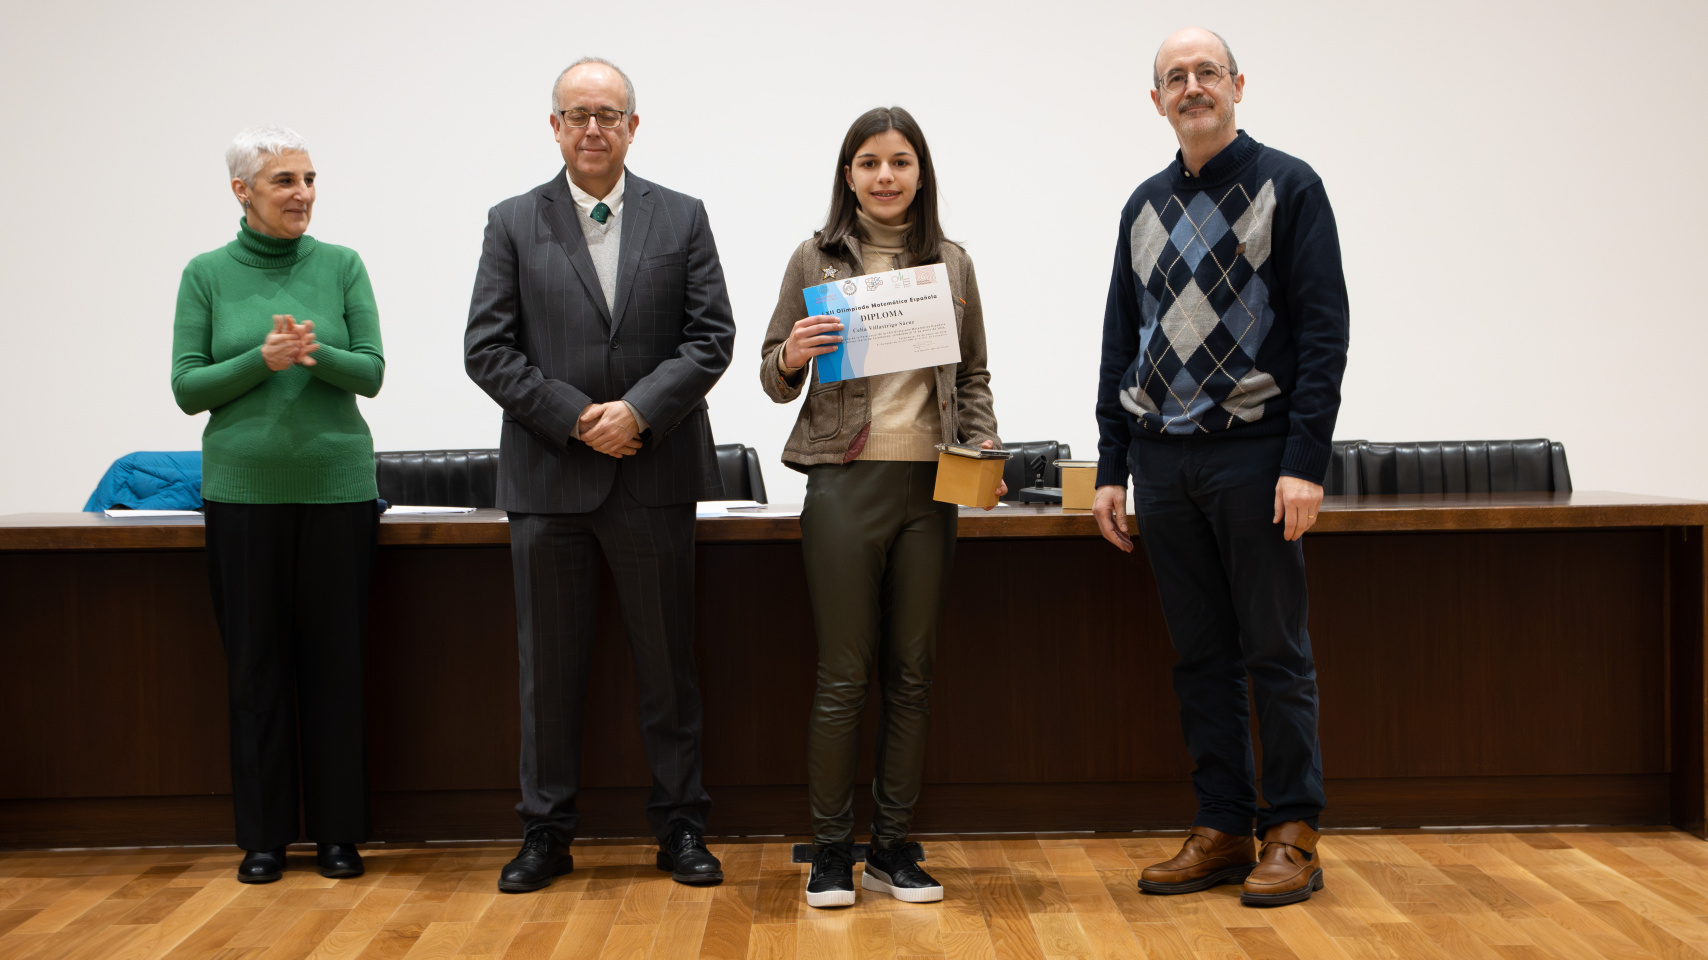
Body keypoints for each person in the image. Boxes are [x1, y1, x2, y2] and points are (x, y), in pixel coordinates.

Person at [465, 57, 736, 893]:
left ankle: (681, 827)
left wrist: (638, 412)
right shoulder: (513, 222)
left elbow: (711, 337)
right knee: (547, 674)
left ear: (632, 126)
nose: (593, 128)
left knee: (668, 666)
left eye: (608, 114)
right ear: (554, 126)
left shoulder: (682, 216)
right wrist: (580, 417)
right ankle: (544, 834)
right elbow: (487, 349)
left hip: (655, 476)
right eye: (577, 114)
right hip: (549, 477)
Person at [1092, 28, 1350, 906]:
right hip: (1163, 463)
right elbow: (1121, 341)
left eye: (1207, 72)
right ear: (1156, 101)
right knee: (1200, 658)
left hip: (1257, 457)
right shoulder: (1142, 206)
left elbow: (1323, 335)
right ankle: (1223, 826)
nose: (1192, 86)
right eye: (1176, 77)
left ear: (1239, 85)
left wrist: (1305, 461)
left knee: (1275, 652)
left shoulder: (1291, 186)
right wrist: (1112, 466)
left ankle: (1294, 830)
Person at [759, 106, 1002, 908]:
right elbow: (771, 375)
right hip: (844, 480)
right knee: (843, 674)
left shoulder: (952, 263)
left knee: (912, 675)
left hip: (933, 485)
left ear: (920, 174)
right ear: (849, 176)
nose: (885, 176)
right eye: (869, 163)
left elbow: (973, 377)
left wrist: (985, 445)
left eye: (900, 161)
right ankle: (832, 851)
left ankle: (892, 849)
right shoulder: (815, 257)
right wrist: (791, 354)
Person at [170, 125, 385, 883]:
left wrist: (312, 353)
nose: (303, 194)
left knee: (336, 668)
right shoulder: (205, 274)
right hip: (242, 496)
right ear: (243, 191)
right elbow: (187, 387)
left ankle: (338, 834)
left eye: (309, 179)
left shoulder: (342, 265)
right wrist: (259, 361)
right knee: (254, 671)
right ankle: (263, 838)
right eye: (285, 181)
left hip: (338, 492)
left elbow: (372, 374)